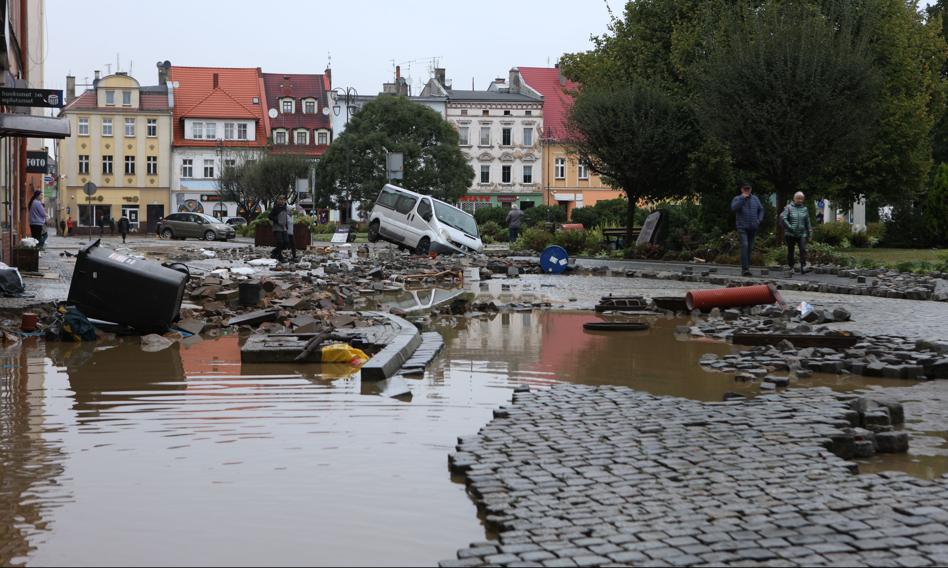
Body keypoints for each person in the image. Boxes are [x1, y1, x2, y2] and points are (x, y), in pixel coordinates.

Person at [730, 182, 765, 277]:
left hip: (753, 227)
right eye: (745, 189)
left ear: (751, 189)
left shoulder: (755, 199)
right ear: (742, 189)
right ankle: (744, 269)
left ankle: (747, 268)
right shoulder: (737, 198)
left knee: (749, 248)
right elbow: (734, 208)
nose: (747, 190)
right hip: (742, 227)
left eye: (748, 189)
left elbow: (761, 209)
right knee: (745, 245)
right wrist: (742, 199)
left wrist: (759, 220)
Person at [782, 191, 812, 273]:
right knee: (790, 250)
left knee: (803, 249)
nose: (800, 200)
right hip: (790, 233)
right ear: (794, 198)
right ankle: (791, 267)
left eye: (801, 199)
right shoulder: (788, 207)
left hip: (802, 233)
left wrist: (810, 232)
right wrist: (790, 227)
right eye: (798, 198)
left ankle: (803, 267)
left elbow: (807, 221)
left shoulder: (805, 209)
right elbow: (784, 219)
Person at [268, 197, 289, 261]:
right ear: (278, 201)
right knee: (280, 242)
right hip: (277, 228)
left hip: (284, 227)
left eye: (283, 200)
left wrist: (286, 225)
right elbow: (270, 216)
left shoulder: (286, 208)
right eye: (281, 200)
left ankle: (275, 252)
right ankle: (280, 256)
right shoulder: (276, 208)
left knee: (286, 242)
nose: (282, 201)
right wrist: (277, 220)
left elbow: (286, 217)